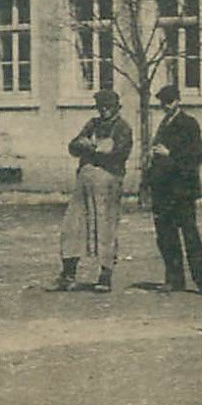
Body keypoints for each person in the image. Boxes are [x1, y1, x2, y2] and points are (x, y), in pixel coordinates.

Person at [51, 88, 133, 293]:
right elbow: (73, 146)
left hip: (108, 182)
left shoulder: (122, 128)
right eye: (101, 107)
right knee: (73, 224)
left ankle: (105, 275)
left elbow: (118, 155)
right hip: (84, 181)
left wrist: (93, 150)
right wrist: (88, 146)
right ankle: (68, 273)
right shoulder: (93, 124)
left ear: (116, 107)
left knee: (105, 227)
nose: (104, 111)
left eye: (108, 107)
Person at [148, 85, 202, 295]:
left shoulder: (188, 123)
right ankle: (175, 279)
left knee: (190, 234)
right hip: (164, 190)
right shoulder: (165, 123)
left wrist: (170, 154)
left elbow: (196, 156)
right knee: (166, 236)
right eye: (162, 103)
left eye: (167, 102)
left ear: (177, 101)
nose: (164, 106)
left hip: (182, 190)